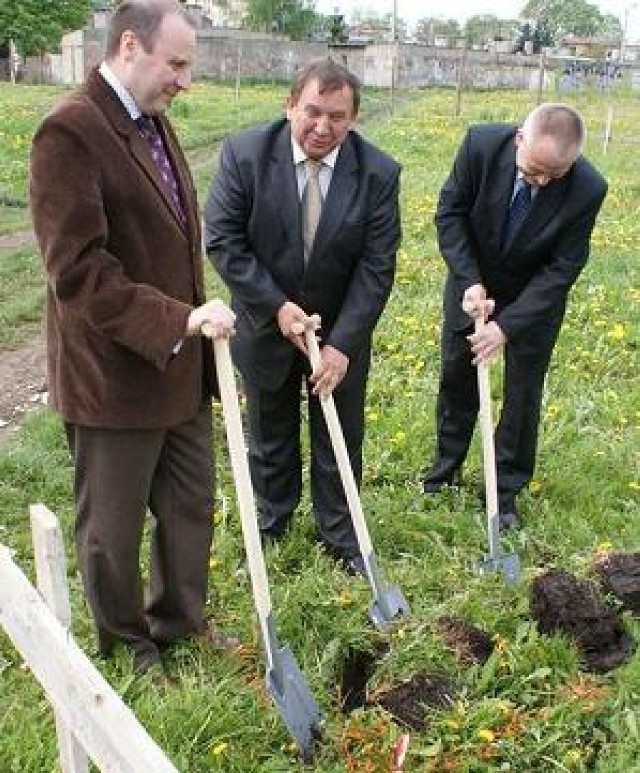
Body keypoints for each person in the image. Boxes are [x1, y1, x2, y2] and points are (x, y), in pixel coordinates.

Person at [30, 0, 236, 675]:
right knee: (111, 531)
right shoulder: (70, 132)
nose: (184, 79)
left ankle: (179, 621)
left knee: (189, 505)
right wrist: (179, 319)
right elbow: (79, 273)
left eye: (187, 66)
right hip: (114, 376)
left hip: (179, 367)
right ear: (129, 46)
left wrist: (191, 330)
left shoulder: (151, 120)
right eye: (175, 63)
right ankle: (128, 646)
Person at [205, 58, 401, 576]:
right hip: (265, 325)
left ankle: (342, 536)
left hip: (338, 334)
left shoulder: (378, 173)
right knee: (268, 432)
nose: (322, 127)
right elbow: (224, 240)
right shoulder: (246, 155)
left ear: (354, 118)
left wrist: (342, 345)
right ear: (290, 104)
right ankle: (271, 525)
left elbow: (376, 267)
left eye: (337, 117)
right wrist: (275, 307)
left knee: (340, 436)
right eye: (312, 111)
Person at [423, 102, 607, 529]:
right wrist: (469, 279)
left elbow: (563, 269)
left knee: (524, 392)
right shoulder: (480, 146)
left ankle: (504, 490)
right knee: (457, 375)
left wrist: (506, 327)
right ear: (519, 139)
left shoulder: (588, 188)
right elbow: (449, 213)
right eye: (533, 170)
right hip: (474, 284)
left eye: (553, 176)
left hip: (534, 299)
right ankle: (444, 471)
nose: (541, 181)